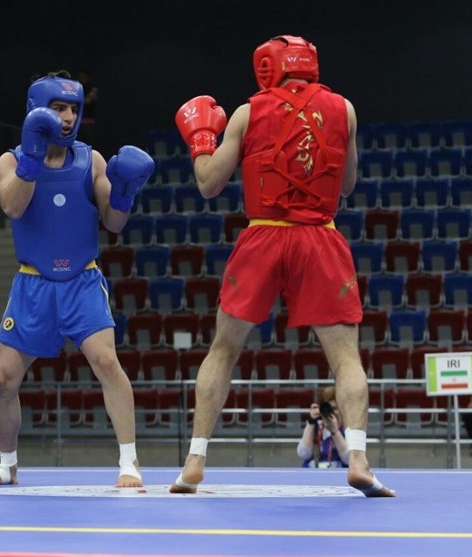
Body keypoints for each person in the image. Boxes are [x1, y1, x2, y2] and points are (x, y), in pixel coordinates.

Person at [169, 35, 394, 497]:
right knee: (346, 358)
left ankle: (194, 461)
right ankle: (358, 458)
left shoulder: (247, 113)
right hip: (320, 238)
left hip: (264, 235)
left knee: (223, 349)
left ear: (268, 67)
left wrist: (201, 141)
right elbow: (347, 185)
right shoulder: (345, 110)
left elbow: (208, 184)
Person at [0, 71, 154, 488]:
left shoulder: (92, 160)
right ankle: (7, 465)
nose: (69, 117)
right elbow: (13, 207)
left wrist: (124, 194)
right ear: (38, 111)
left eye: (74, 108)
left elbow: (113, 223)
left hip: (82, 281)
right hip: (33, 284)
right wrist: (32, 159)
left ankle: (129, 463)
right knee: (3, 380)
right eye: (59, 108)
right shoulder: (10, 161)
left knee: (107, 363)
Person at [297, 387, 349, 468]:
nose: (331, 412)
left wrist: (335, 432)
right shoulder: (314, 426)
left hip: (338, 474)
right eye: (328, 409)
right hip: (312, 473)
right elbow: (303, 454)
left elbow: (349, 459)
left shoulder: (347, 429)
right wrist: (311, 422)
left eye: (334, 408)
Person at [76, 71, 99, 149]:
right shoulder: (77, 89)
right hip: (78, 122)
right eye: (80, 77)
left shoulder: (92, 89)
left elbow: (88, 100)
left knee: (89, 145)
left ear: (87, 78)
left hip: (89, 122)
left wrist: (76, 100)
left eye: (84, 77)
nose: (82, 79)